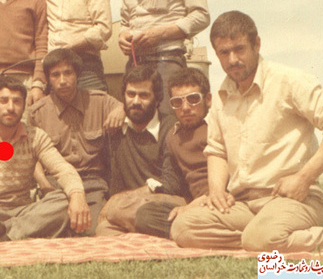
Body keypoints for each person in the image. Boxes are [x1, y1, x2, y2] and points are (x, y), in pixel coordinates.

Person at [170, 11, 323, 252]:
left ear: (256, 44)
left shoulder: (288, 81)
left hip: (293, 198)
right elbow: (216, 149)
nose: (232, 59)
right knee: (183, 228)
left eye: (239, 49)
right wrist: (216, 191)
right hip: (243, 204)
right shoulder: (221, 98)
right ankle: (263, 238)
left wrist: (304, 178)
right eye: (224, 52)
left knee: (260, 239)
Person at [0, 75, 89, 242]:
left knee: (63, 201)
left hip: (24, 210)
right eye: (3, 101)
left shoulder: (36, 136)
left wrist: (77, 194)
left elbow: (62, 168)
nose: (11, 107)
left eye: (17, 101)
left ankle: (4, 237)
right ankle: (24, 234)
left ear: (24, 106)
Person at [27, 48, 124, 235]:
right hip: (55, 186)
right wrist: (44, 185)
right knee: (51, 228)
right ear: (48, 79)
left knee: (91, 229)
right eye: (55, 75)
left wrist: (121, 110)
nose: (62, 80)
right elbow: (32, 159)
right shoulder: (37, 113)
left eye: (68, 73)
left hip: (92, 184)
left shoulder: (99, 101)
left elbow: (125, 105)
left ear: (78, 74)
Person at [95, 66, 180, 236]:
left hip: (164, 202)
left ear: (157, 99)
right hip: (129, 208)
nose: (135, 101)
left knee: (128, 213)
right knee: (103, 229)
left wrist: (120, 199)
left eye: (144, 95)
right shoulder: (115, 129)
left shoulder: (170, 128)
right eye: (131, 94)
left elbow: (171, 184)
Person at [134, 67, 210, 239]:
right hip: (195, 207)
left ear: (208, 99)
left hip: (224, 201)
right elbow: (173, 183)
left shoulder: (217, 128)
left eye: (193, 99)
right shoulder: (173, 136)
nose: (185, 108)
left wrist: (204, 201)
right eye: (177, 102)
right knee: (145, 215)